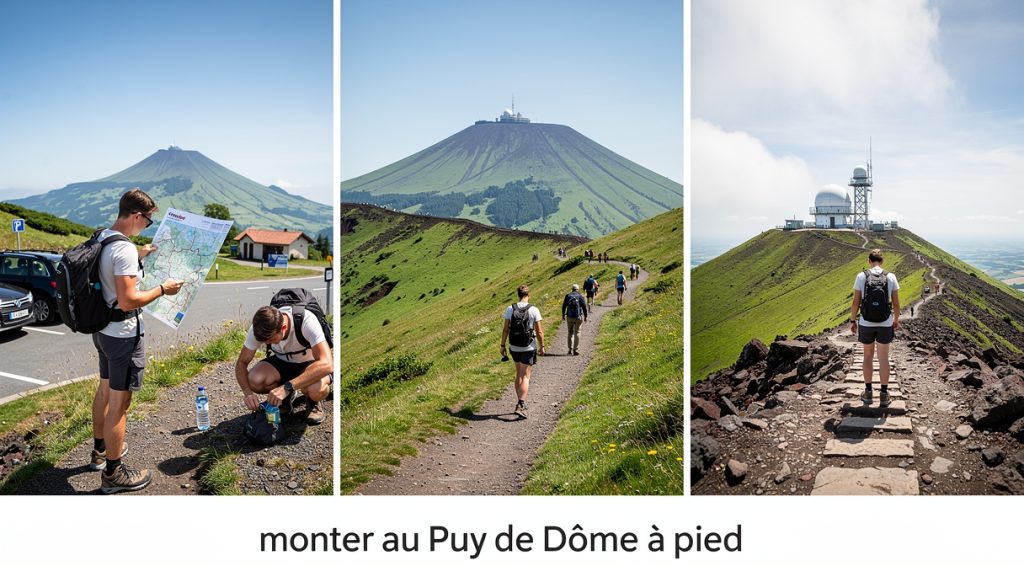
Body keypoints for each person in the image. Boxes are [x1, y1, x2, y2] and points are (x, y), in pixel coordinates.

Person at [91, 188, 183, 494]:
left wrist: (139, 254)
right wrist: (162, 290)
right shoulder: (124, 250)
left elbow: (110, 272)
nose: (148, 226)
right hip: (123, 336)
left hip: (103, 331)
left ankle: (100, 451)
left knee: (104, 389)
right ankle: (114, 475)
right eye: (148, 221)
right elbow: (129, 300)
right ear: (136, 216)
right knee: (120, 403)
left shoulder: (104, 237)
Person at [235, 304, 333, 425]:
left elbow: (327, 364)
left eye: (270, 340)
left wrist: (288, 387)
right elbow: (241, 363)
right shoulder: (259, 330)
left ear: (283, 327)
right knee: (255, 379)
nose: (267, 343)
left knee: (315, 390)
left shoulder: (306, 321)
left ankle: (313, 401)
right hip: (283, 362)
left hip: (310, 363)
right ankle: (283, 400)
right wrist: (247, 392)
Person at [850, 248, 901, 408]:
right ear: (882, 261)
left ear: (869, 261)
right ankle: (884, 394)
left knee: (867, 356)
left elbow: (855, 302)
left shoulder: (861, 276)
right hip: (885, 322)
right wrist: (896, 320)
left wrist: (853, 320)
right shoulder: (891, 276)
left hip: (866, 322)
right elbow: (897, 304)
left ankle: (868, 392)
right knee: (883, 358)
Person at [500, 285, 545, 418]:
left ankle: (520, 401)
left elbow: (505, 330)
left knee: (518, 373)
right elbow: (539, 331)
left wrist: (502, 345)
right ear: (528, 295)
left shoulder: (510, 309)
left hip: (514, 346)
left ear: (518, 295)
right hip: (529, 347)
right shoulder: (534, 309)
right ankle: (521, 403)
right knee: (526, 376)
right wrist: (542, 346)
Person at [561, 283, 588, 355]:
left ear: (572, 289)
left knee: (570, 333)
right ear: (578, 289)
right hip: (578, 317)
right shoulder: (580, 296)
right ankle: (575, 350)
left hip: (569, 317)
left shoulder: (568, 296)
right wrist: (585, 316)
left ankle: (570, 349)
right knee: (577, 332)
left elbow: (564, 306)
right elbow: (584, 307)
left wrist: (563, 315)